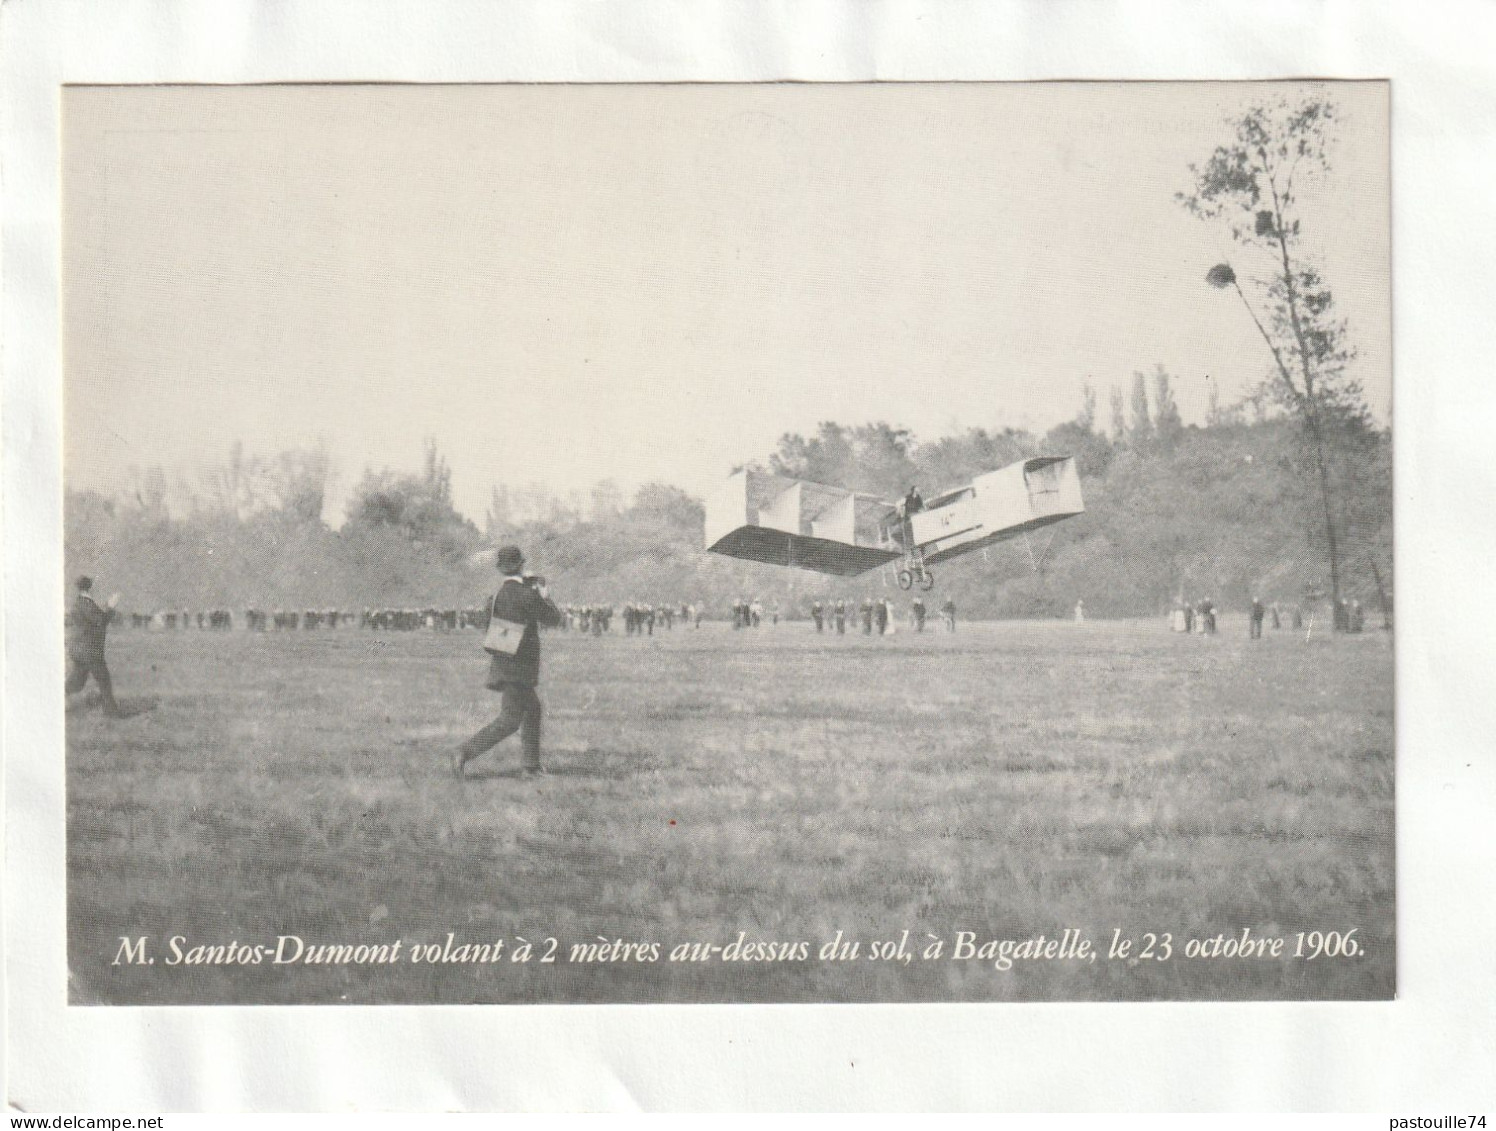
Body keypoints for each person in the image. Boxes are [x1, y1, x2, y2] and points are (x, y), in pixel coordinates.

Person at [453, 545, 562, 779]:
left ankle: (530, 767)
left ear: (501, 569)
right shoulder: (527, 594)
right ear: (521, 565)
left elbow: (486, 623)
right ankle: (464, 752)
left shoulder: (496, 596)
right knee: (511, 720)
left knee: (532, 710)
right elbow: (553, 618)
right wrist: (544, 594)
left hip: (504, 662)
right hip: (521, 666)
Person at [66, 575, 123, 716]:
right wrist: (111, 607)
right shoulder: (87, 603)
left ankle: (57, 696)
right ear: (90, 588)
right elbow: (101, 621)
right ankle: (112, 713)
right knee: (104, 680)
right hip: (89, 650)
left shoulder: (79, 602)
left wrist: (106, 608)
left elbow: (93, 618)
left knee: (77, 682)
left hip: (78, 650)